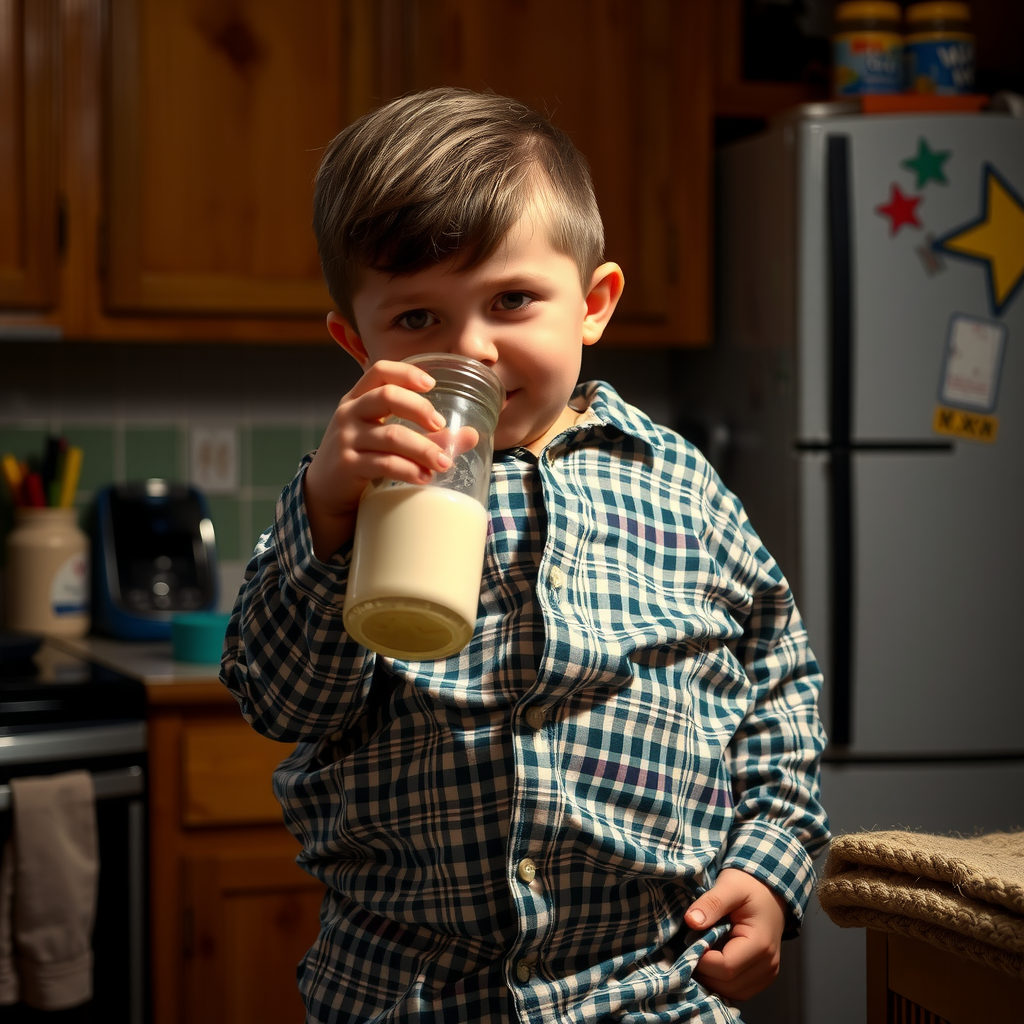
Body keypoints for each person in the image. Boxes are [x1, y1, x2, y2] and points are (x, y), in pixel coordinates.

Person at [220, 86, 830, 1023]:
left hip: (652, 987)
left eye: (512, 300)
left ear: (592, 305)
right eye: (417, 320)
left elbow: (778, 682)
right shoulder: (356, 493)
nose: (475, 351)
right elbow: (277, 697)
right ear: (358, 343)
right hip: (408, 994)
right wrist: (323, 516)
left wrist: (770, 864)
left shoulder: (680, 485)